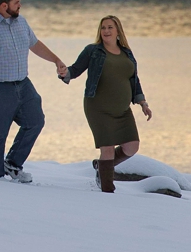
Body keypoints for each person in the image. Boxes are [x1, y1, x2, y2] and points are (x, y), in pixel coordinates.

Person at [0, 0, 71, 182]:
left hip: (23, 84)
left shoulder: (20, 22)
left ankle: (12, 164)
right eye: (17, 2)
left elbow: (35, 45)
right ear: (4, 5)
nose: (20, 5)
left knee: (35, 121)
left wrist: (56, 60)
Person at [64, 14, 153, 193]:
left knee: (132, 146)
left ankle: (102, 166)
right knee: (108, 149)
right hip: (98, 108)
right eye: (103, 28)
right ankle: (107, 193)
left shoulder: (127, 53)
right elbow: (74, 70)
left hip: (122, 110)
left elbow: (134, 79)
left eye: (110, 27)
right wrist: (63, 72)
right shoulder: (93, 51)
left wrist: (142, 102)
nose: (106, 31)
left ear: (118, 31)